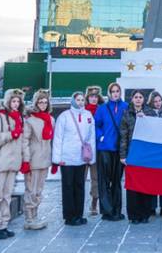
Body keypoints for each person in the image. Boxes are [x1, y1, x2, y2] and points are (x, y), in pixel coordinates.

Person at [0, 88, 26, 239]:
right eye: (13, 101)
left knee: (7, 196)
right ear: (8, 101)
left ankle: (3, 225)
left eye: (18, 101)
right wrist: (10, 135)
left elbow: (21, 142)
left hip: (13, 163)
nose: (15, 104)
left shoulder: (19, 118)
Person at [52, 91, 96, 226]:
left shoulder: (88, 115)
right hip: (67, 158)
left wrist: (91, 157)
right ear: (73, 101)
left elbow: (91, 137)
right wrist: (57, 158)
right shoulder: (64, 116)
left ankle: (79, 214)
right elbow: (58, 138)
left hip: (81, 158)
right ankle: (69, 216)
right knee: (68, 186)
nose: (81, 102)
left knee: (80, 186)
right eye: (78, 100)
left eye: (83, 100)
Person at [119, 89, 156, 224]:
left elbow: (155, 131)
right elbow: (123, 135)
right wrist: (123, 155)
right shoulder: (126, 113)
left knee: (145, 184)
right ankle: (134, 215)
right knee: (133, 185)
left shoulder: (150, 112)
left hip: (146, 155)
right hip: (132, 153)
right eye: (136, 97)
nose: (138, 99)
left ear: (144, 99)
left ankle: (145, 213)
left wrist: (145, 118)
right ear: (132, 99)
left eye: (141, 97)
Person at [22, 89, 54, 231]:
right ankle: (29, 218)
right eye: (40, 102)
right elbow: (25, 141)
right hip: (33, 159)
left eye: (45, 102)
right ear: (36, 102)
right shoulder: (30, 120)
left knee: (39, 190)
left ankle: (35, 215)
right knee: (31, 189)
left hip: (45, 159)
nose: (43, 104)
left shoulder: (50, 119)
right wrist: (26, 160)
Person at [95, 82, 127, 221]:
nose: (115, 93)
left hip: (119, 149)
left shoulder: (125, 107)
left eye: (117, 91)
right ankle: (107, 211)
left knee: (116, 181)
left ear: (120, 92)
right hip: (105, 149)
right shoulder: (102, 108)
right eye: (113, 91)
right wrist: (100, 136)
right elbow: (96, 125)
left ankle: (117, 210)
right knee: (104, 181)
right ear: (109, 93)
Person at [84, 86, 102, 217]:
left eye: (96, 96)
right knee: (81, 177)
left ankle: (94, 203)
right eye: (91, 96)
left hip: (97, 148)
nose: (94, 99)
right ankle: (78, 203)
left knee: (95, 178)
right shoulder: (82, 111)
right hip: (83, 149)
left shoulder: (102, 110)